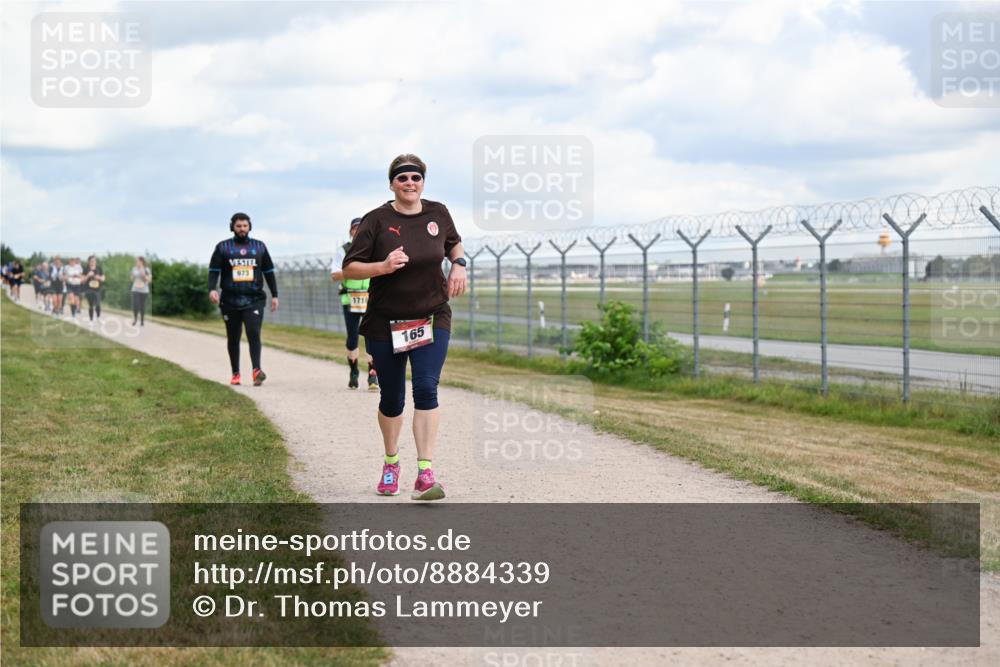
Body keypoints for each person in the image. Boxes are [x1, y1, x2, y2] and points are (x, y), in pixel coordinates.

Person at [343, 153, 466, 501]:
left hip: (431, 315)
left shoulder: (438, 212)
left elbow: (453, 240)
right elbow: (351, 266)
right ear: (392, 183)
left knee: (427, 388)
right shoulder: (376, 220)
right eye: (402, 178)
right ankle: (391, 462)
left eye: (415, 178)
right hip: (386, 321)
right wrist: (381, 266)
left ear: (423, 182)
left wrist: (458, 263)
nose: (409, 183)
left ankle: (425, 473)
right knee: (392, 398)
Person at [208, 212, 279, 386]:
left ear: (250, 227)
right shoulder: (223, 248)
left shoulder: (259, 247)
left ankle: (256, 371)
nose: (242, 229)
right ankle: (236, 373)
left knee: (253, 333)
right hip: (230, 300)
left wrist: (275, 295)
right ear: (232, 227)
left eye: (245, 226)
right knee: (233, 337)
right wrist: (212, 290)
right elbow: (214, 272)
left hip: (253, 299)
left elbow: (268, 272)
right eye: (238, 226)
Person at [331, 217, 379, 390]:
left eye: (361, 228)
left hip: (370, 297)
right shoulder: (343, 251)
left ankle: (373, 373)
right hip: (350, 298)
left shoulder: (373, 248)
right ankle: (353, 371)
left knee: (372, 336)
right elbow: (335, 275)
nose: (357, 232)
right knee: (353, 337)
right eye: (354, 229)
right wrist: (355, 271)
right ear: (350, 231)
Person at [130, 256, 152, 326]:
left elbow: (149, 280)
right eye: (136, 261)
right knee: (135, 305)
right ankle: (135, 319)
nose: (136, 262)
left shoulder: (147, 269)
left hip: (144, 290)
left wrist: (143, 275)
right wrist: (132, 276)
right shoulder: (134, 269)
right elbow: (132, 279)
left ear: (141, 262)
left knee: (142, 306)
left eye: (137, 261)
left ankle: (142, 321)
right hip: (135, 289)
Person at [82, 255, 105, 321]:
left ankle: (98, 317)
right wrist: (88, 275)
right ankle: (91, 320)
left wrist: (99, 278)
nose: (93, 262)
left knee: (98, 304)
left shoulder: (99, 268)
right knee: (91, 305)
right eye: (91, 261)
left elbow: (103, 278)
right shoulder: (86, 269)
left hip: (97, 289)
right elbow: (82, 281)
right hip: (88, 289)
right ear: (88, 262)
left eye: (94, 261)